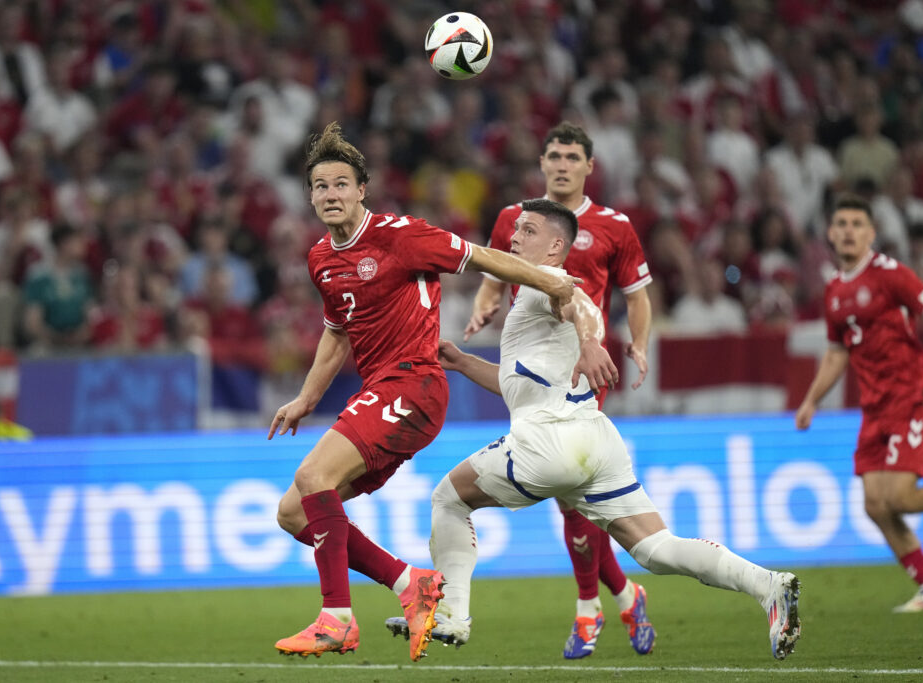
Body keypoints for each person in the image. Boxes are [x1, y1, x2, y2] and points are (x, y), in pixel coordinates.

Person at [388, 199, 801, 660]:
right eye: (516, 230)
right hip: (593, 439)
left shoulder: (551, 282)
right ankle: (768, 585)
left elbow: (581, 304)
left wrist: (589, 342)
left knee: (448, 499)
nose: (514, 237)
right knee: (656, 549)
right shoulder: (527, 295)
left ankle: (453, 617)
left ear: (555, 247)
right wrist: (464, 364)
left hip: (549, 442)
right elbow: (520, 385)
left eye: (527, 231)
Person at [269, 123, 579, 662]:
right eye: (321, 187)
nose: (331, 195)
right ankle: (410, 583)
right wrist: (306, 399)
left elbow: (481, 256)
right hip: (382, 391)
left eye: (341, 184)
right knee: (295, 512)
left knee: (313, 476)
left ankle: (337, 618)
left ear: (362, 189)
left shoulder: (401, 235)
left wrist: (546, 278)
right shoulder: (321, 259)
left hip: (415, 382)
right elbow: (337, 332)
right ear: (311, 196)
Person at [467, 121, 655, 659]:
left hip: (579, 370)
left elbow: (638, 295)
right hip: (525, 368)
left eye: (573, 156)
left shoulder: (613, 226)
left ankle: (588, 608)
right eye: (554, 155)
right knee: (572, 497)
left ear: (589, 167)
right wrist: (484, 299)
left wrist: (638, 342)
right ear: (543, 162)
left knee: (570, 494)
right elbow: (495, 268)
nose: (562, 164)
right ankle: (624, 593)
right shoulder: (514, 218)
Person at [794, 194, 923, 612]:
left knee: (902, 497)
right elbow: (837, 352)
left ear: (871, 233)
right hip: (874, 408)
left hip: (909, 394)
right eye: (842, 224)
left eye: (858, 223)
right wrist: (811, 401)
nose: (849, 230)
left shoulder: (888, 274)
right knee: (875, 504)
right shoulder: (834, 290)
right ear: (831, 234)